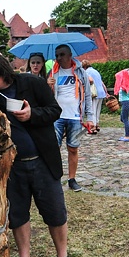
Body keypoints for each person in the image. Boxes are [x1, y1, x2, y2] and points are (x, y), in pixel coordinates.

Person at [0, 52, 84, 257]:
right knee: (18, 214)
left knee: (55, 212)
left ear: (3, 73)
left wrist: (32, 114)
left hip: (42, 160)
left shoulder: (32, 83)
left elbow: (54, 110)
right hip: (11, 166)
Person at [47, 44, 96, 192]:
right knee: (53, 149)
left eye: (62, 54)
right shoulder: (52, 73)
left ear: (69, 56)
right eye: (57, 55)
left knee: (73, 148)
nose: (59, 58)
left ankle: (72, 179)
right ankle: (54, 178)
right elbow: (45, 96)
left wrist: (90, 117)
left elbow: (87, 95)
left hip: (75, 116)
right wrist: (47, 85)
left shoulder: (80, 73)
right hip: (57, 117)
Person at [81, 60, 108, 134]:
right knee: (97, 110)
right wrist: (106, 92)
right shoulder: (96, 71)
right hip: (101, 92)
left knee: (92, 110)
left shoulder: (87, 72)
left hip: (94, 93)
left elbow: (89, 81)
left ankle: (93, 128)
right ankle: (97, 124)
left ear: (84, 67)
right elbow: (102, 83)